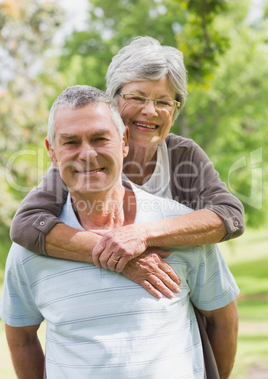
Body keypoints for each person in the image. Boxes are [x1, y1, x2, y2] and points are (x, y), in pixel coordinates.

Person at [1, 86, 239, 378]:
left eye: (100, 138)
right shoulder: (30, 250)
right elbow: (21, 336)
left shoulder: (183, 229)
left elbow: (223, 320)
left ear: (124, 142)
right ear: (52, 152)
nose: (87, 154)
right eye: (70, 142)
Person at [9, 36, 245, 298]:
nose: (150, 111)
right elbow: (26, 225)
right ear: (113, 100)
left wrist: (142, 235)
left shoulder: (183, 155)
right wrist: (119, 255)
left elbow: (229, 215)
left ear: (175, 110)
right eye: (137, 97)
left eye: (163, 102)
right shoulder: (85, 163)